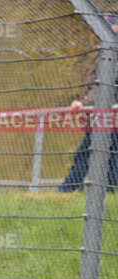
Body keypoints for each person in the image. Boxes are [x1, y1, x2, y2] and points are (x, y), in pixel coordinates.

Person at [58, 14, 118, 193]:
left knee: (99, 155)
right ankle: (108, 193)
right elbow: (95, 86)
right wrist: (82, 102)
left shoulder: (111, 55)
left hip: (111, 115)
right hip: (100, 115)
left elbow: (107, 86)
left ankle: (67, 190)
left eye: (110, 26)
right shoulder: (103, 53)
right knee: (101, 155)